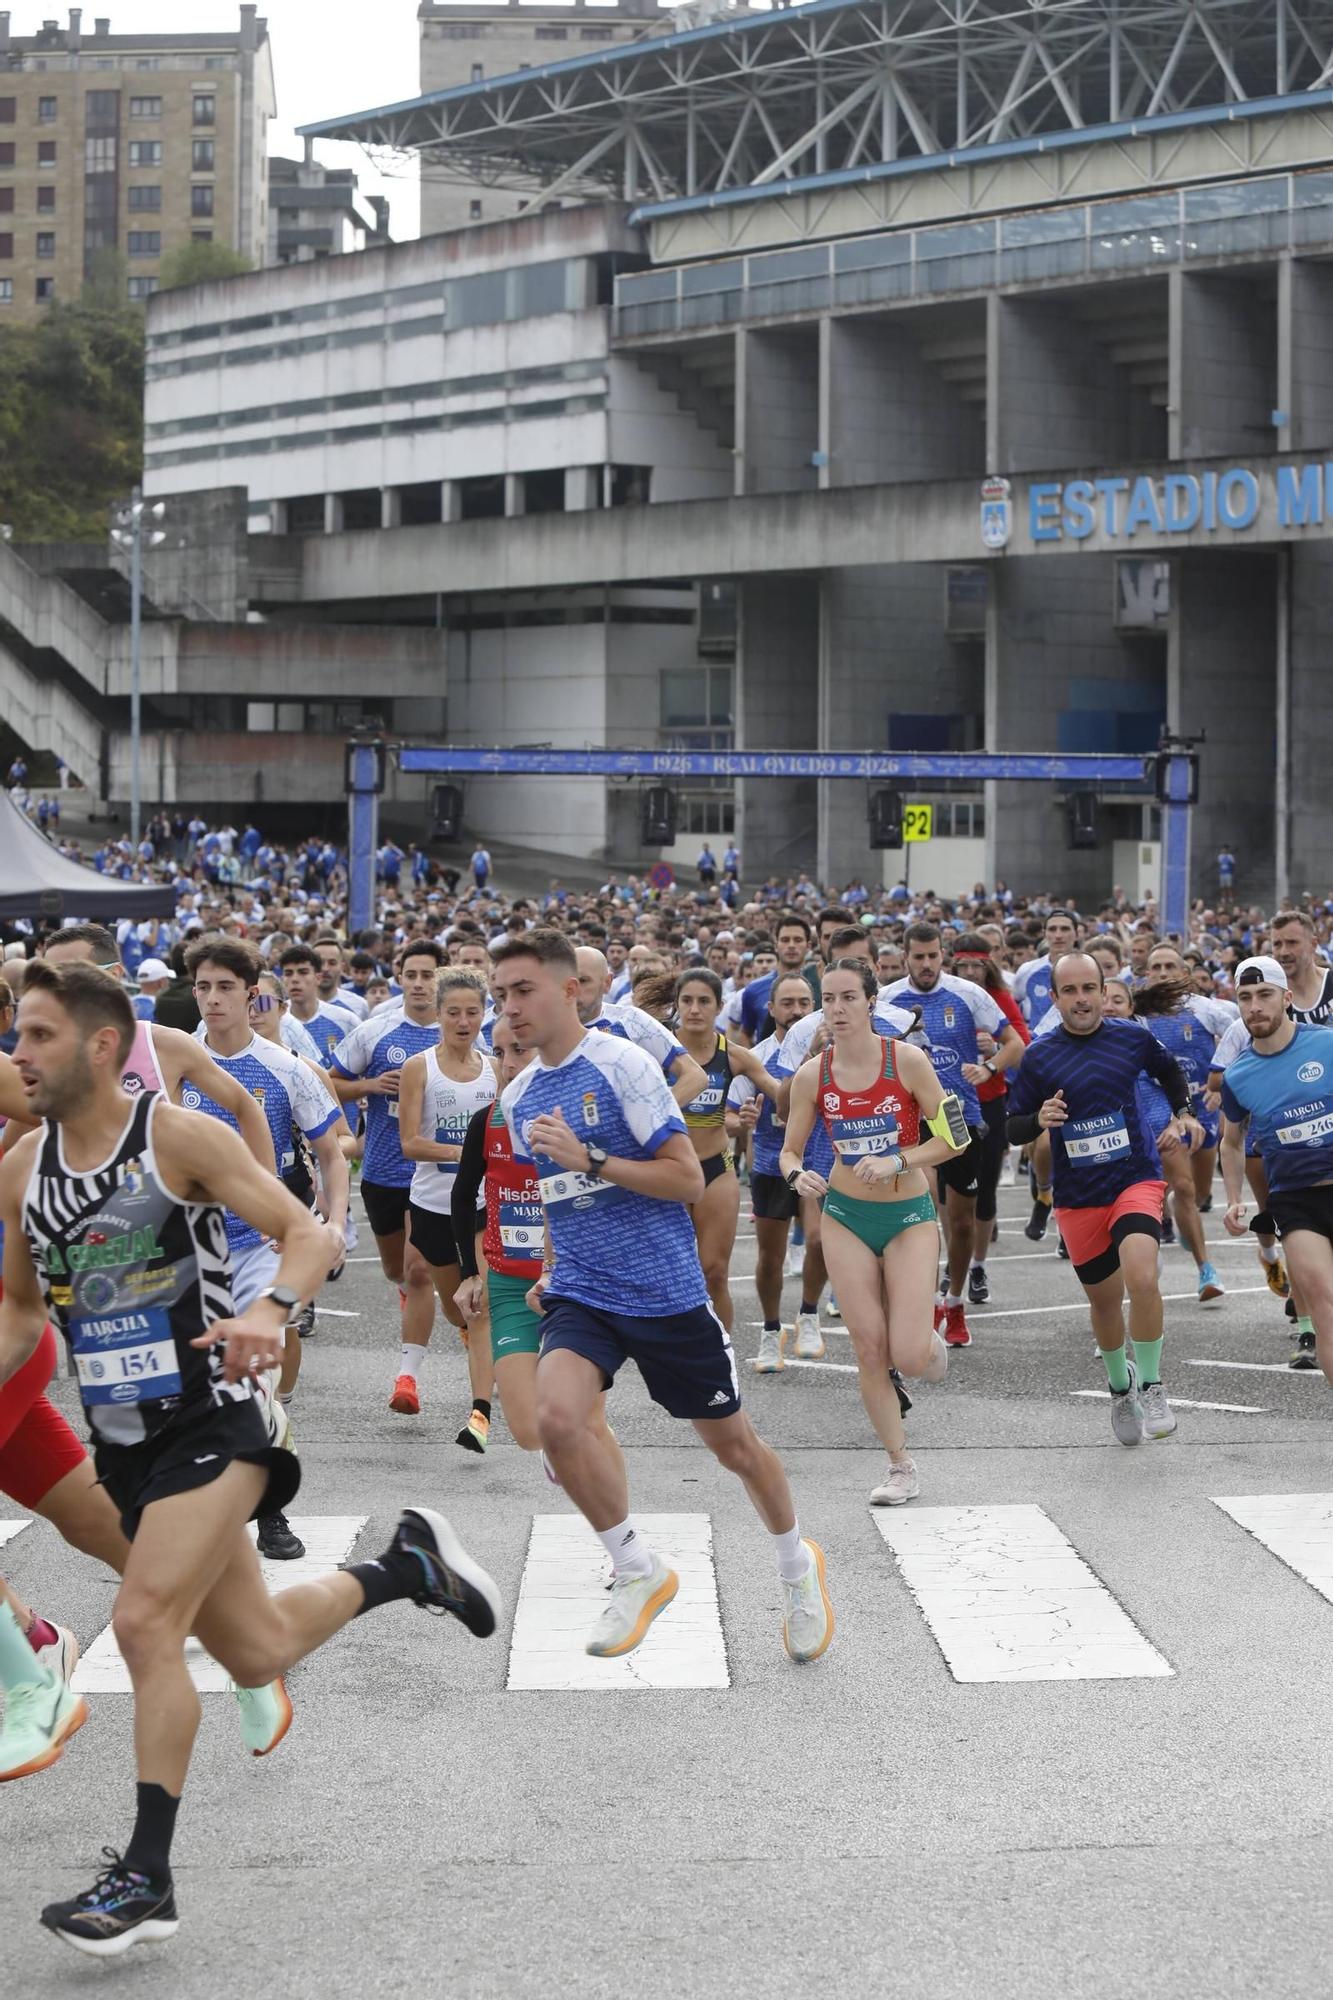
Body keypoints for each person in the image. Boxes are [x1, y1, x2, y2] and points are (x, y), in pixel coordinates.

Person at [0, 960, 502, 1954]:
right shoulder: (21, 1172)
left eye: (39, 1035)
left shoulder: (176, 1138)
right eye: (18, 1035)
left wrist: (269, 1310)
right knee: (257, 1648)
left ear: (102, 1045)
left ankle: (146, 1876)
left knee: (143, 1621)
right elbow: (20, 1314)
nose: (18, 1054)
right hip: (125, 1444)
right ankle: (407, 1566)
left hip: (216, 1419)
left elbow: (306, 1234)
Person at [491, 929, 834, 1665]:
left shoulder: (624, 1065)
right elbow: (556, 1194)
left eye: (522, 991)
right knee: (555, 1419)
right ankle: (636, 1568)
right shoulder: (517, 1096)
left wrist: (593, 1157)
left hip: (664, 1292)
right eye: (501, 995)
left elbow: (684, 1180)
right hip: (584, 1289)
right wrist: (549, 1266)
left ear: (568, 990)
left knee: (735, 1449)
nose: (508, 1008)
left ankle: (796, 1568)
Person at [186, 937, 348, 1555]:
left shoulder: (285, 1067)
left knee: (254, 1378)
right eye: (203, 987)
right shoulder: (174, 1062)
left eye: (225, 987)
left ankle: (271, 1515)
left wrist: (334, 1223)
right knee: (201, 1389)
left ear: (252, 995)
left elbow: (332, 1152)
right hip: (194, 1250)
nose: (212, 999)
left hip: (264, 1246)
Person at [780, 959, 963, 1505]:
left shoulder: (906, 1061)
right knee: (868, 1348)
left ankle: (924, 1343)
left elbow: (955, 1139)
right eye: (828, 999)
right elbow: (790, 1151)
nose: (837, 1009)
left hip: (908, 1216)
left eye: (849, 998)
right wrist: (796, 1175)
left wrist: (898, 1160)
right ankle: (899, 1466)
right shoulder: (813, 1075)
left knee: (908, 1356)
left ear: (871, 1002)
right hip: (845, 1217)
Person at [1006, 952, 1201, 1446]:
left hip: (1134, 1178)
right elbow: (1012, 1126)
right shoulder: (1040, 1055)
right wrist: (1038, 1120)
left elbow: (1170, 1073)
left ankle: (1152, 1385)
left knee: (1142, 1276)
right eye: (1070, 991)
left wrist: (1183, 1113)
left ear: (1101, 991)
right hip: (1079, 1195)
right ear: (1055, 999)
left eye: (1088, 988)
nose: (1081, 999)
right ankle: (1120, 1387)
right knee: (1105, 1302)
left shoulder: (1131, 1037)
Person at [883, 922, 1024, 1347]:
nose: (926, 964)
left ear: (943, 955)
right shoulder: (887, 1000)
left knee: (962, 1223)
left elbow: (1014, 1042)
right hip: (910, 1120)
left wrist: (989, 1068)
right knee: (923, 1210)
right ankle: (925, 1304)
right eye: (918, 957)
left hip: (958, 1117)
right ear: (905, 957)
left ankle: (955, 1300)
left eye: (933, 956)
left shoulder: (968, 994)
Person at [43, 926, 275, 1173]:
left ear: (113, 975)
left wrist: (267, 1187)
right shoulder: (42, 1059)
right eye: (47, 980)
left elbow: (246, 1107)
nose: (57, 991)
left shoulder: (164, 1045)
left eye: (70, 975)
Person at [327, 941, 447, 1402]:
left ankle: (407, 1379)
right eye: (411, 975)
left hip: (435, 1175)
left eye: (427, 975)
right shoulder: (375, 1031)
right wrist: (370, 1085)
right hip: (382, 1171)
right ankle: (412, 1295)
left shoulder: (460, 1032)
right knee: (398, 1269)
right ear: (399, 978)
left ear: (441, 977)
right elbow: (331, 1083)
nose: (418, 984)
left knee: (419, 1272)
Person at [1221, 956, 1333, 1388]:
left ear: (1286, 998)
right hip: (1295, 1201)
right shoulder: (1238, 1076)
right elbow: (1231, 1142)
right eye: (1245, 997)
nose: (1255, 1007)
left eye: (1264, 995)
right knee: (1324, 1305)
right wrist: (1234, 1199)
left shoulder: (1326, 1044)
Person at [396, 969, 497, 1445]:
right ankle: (470, 1339)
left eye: (472, 1012)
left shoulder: (495, 1068)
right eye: (453, 1012)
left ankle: (480, 1414)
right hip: (434, 1205)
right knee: (457, 1311)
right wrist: (465, 1152)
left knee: (478, 1308)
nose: (463, 1021)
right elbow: (410, 1143)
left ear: (483, 1015)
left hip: (480, 1205)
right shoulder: (420, 1067)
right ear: (438, 1015)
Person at [673, 968, 782, 1334]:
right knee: (673, 1276)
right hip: (668, 1172)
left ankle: (722, 1354)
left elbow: (782, 1096)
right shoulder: (657, 1052)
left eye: (704, 1001)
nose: (695, 1009)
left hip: (715, 1168)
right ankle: (675, 1353)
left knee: (715, 1272)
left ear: (720, 1006)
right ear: (677, 1005)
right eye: (687, 1001)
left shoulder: (735, 1056)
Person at [725, 972, 816, 1370]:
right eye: (788, 1003)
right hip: (770, 1165)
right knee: (770, 1258)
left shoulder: (833, 1052)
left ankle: (809, 1314)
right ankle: (770, 1330)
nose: (796, 1011)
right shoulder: (757, 1057)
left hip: (817, 1164)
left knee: (819, 1241)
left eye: (804, 1003)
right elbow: (729, 1115)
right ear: (771, 1008)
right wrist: (741, 1120)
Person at [948, 932, 1030, 1304]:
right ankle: (954, 1262)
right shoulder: (943, 995)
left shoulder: (998, 998)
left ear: (989, 966)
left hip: (988, 1103)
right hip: (946, 1106)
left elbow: (1022, 1044)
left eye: (976, 966)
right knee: (947, 1196)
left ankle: (978, 1265)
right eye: (963, 965)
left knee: (984, 1191)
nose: (969, 973)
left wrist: (994, 1051)